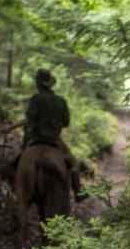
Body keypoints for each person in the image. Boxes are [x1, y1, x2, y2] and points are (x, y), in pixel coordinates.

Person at [22, 68, 87, 202]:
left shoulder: (36, 98)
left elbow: (30, 118)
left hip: (36, 138)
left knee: (19, 158)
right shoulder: (61, 101)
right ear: (50, 83)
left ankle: (16, 186)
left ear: (38, 84)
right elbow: (66, 123)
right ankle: (78, 191)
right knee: (72, 162)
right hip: (54, 140)